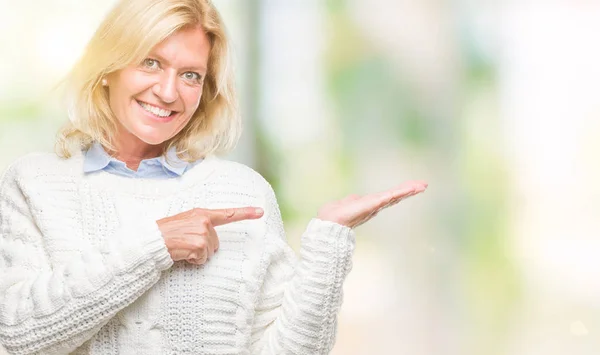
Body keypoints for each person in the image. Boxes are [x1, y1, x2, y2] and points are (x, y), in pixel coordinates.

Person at [0, 0, 427, 354]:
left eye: (190, 75)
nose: (169, 92)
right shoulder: (35, 183)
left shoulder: (240, 191)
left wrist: (328, 241)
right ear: (109, 67)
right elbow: (16, 335)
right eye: (151, 63)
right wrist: (156, 244)